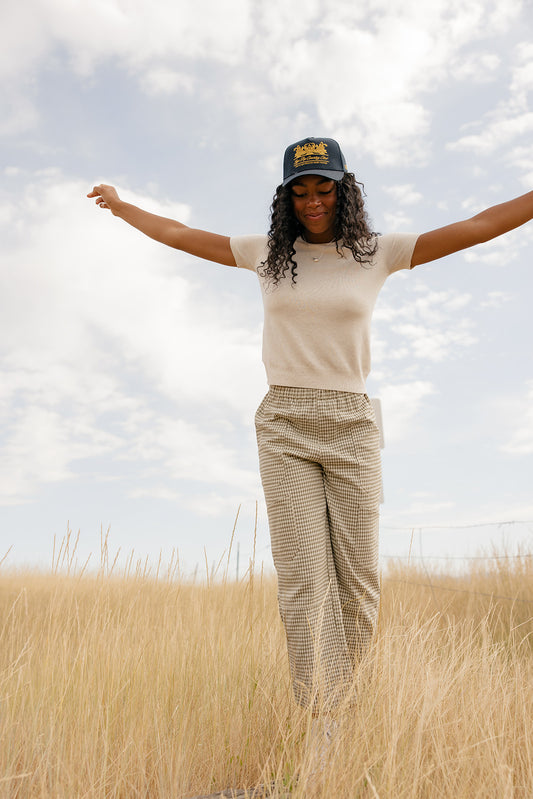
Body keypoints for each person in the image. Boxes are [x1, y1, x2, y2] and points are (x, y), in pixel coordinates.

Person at [88, 136, 533, 714]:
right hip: (284, 425)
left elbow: (478, 226)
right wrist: (121, 206)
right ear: (286, 198)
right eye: (300, 192)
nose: (314, 202)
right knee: (302, 582)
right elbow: (178, 233)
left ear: (345, 191)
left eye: (325, 188)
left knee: (358, 583)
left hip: (353, 425)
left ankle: (347, 704)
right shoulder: (265, 255)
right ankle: (317, 715)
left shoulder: (377, 252)